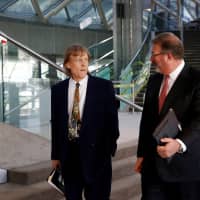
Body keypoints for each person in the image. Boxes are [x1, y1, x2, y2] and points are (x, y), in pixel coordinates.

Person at [134, 32, 200, 200]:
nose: (151, 60)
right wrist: (141, 154)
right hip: (152, 167)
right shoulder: (154, 81)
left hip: (184, 169)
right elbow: (146, 121)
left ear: (169, 55)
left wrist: (179, 143)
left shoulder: (195, 80)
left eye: (154, 54)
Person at [51, 44, 119, 200]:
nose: (83, 63)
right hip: (69, 156)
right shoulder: (58, 90)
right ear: (67, 64)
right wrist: (55, 155)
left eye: (85, 59)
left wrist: (108, 149)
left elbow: (112, 123)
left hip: (97, 156)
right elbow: (56, 125)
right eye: (78, 59)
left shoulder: (103, 87)